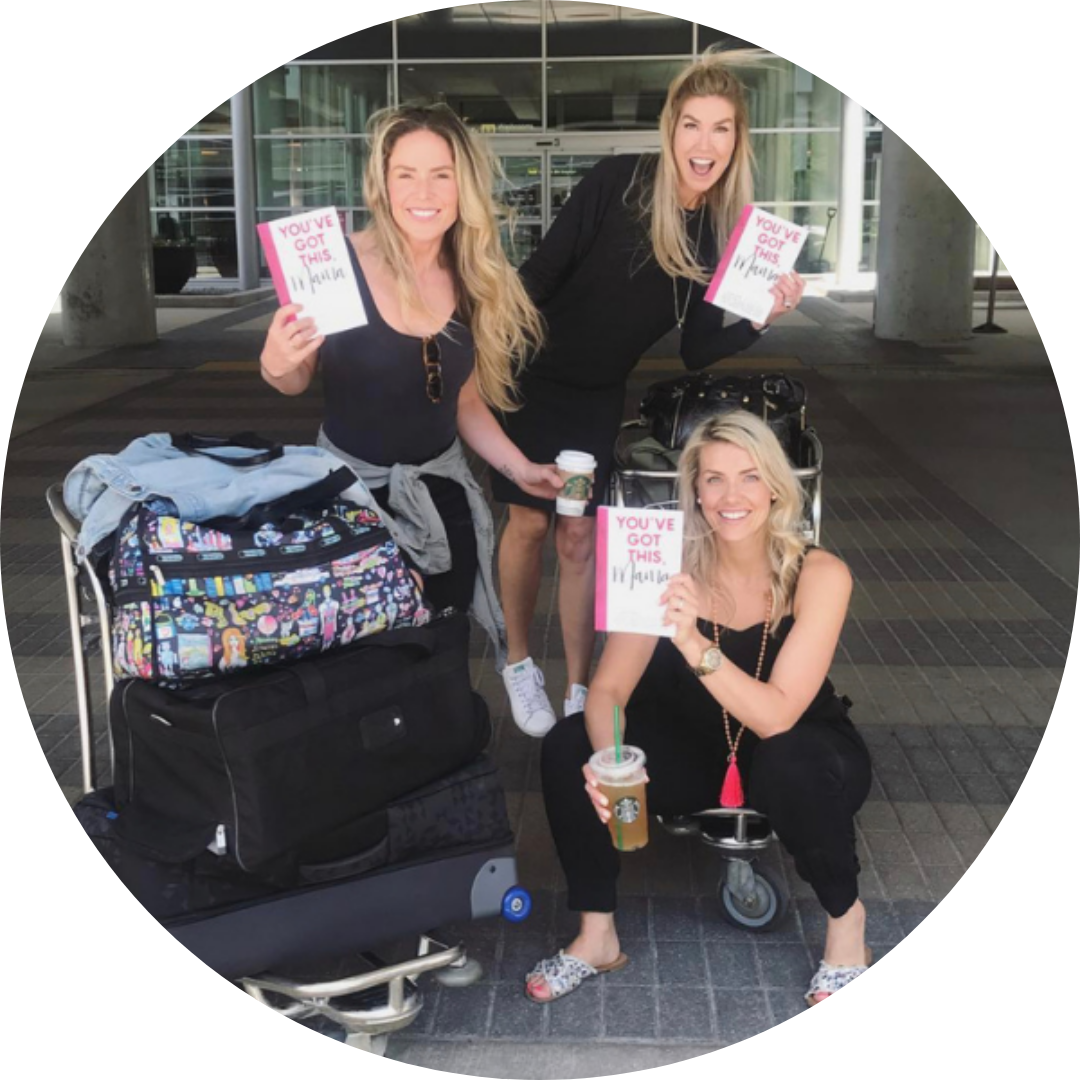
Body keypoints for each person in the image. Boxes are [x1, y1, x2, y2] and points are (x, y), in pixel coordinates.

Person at [492, 47, 808, 738]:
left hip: (596, 393)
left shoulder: (719, 231)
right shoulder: (618, 182)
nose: (705, 143)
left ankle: (580, 686)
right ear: (671, 129)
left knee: (579, 536)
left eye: (721, 128)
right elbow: (539, 275)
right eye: (692, 125)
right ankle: (517, 661)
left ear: (737, 140)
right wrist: (487, 352)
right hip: (530, 378)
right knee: (529, 523)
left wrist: (760, 317)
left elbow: (697, 349)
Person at [525, 410, 873, 1007]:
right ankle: (596, 934)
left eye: (749, 476)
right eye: (714, 479)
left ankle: (848, 927)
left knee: (788, 759)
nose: (731, 497)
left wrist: (691, 641)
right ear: (695, 491)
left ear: (775, 486)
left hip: (801, 754)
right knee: (569, 743)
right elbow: (609, 691)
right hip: (695, 748)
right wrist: (611, 762)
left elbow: (776, 717)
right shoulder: (664, 564)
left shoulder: (819, 574)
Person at [259, 103, 563, 667]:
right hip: (351, 502)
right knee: (366, 664)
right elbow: (294, 377)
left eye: (441, 174)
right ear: (383, 183)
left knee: (444, 654)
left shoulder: (475, 276)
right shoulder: (334, 261)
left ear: (462, 185)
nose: (424, 192)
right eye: (406, 174)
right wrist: (276, 362)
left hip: (442, 498)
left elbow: (463, 399)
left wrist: (520, 469)